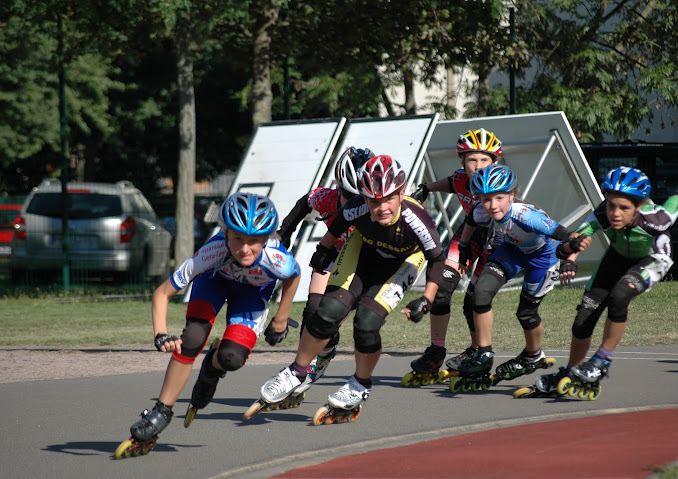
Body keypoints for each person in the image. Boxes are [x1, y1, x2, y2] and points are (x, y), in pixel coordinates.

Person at [256, 155, 446, 420]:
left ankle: (359, 384)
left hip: (402, 262)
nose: (381, 208)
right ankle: (297, 371)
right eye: (373, 201)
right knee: (327, 311)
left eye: (388, 199)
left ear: (401, 193)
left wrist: (426, 298)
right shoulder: (357, 206)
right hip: (364, 252)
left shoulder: (417, 219)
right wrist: (323, 250)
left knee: (366, 323)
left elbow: (437, 258)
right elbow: (336, 226)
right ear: (364, 197)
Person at [115, 193, 300, 458]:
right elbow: (162, 293)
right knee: (192, 338)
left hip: (251, 295)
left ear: (267, 238)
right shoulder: (212, 251)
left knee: (232, 358)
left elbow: (294, 276)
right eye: (237, 238)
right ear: (225, 233)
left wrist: (281, 318)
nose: (245, 249)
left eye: (254, 241)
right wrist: (160, 334)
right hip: (214, 282)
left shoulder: (277, 258)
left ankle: (212, 368)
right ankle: (161, 411)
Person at [534, 150, 678, 397]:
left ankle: (601, 362)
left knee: (620, 296)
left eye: (623, 207)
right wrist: (571, 257)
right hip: (617, 257)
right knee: (582, 322)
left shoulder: (658, 217)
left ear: (638, 206)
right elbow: (572, 241)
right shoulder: (603, 213)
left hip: (652, 258)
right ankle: (572, 371)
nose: (615, 213)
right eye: (611, 205)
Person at [453, 164, 591, 390]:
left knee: (526, 313)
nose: (492, 205)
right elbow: (470, 220)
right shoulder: (480, 210)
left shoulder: (526, 215)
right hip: (512, 250)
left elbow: (567, 234)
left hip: (543, 257)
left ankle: (533, 355)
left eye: (499, 198)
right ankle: (485, 353)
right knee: (481, 291)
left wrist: (570, 257)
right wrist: (465, 245)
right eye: (486, 199)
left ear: (512, 195)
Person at [276, 147, 374, 399]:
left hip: (360, 260)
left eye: (359, 196)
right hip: (332, 251)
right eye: (346, 194)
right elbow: (304, 203)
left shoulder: (374, 206)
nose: (352, 201)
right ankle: (303, 365)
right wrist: (285, 232)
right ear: (338, 187)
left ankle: (322, 353)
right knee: (312, 311)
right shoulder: (327, 198)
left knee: (329, 317)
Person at [407, 128, 501, 381]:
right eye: (472, 159)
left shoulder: (502, 185)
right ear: (462, 161)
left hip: (497, 240)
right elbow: (451, 183)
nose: (478, 166)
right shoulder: (461, 178)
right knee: (441, 287)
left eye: (485, 160)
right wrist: (426, 188)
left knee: (474, 300)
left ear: (494, 162)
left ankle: (478, 352)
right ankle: (436, 350)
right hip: (468, 234)